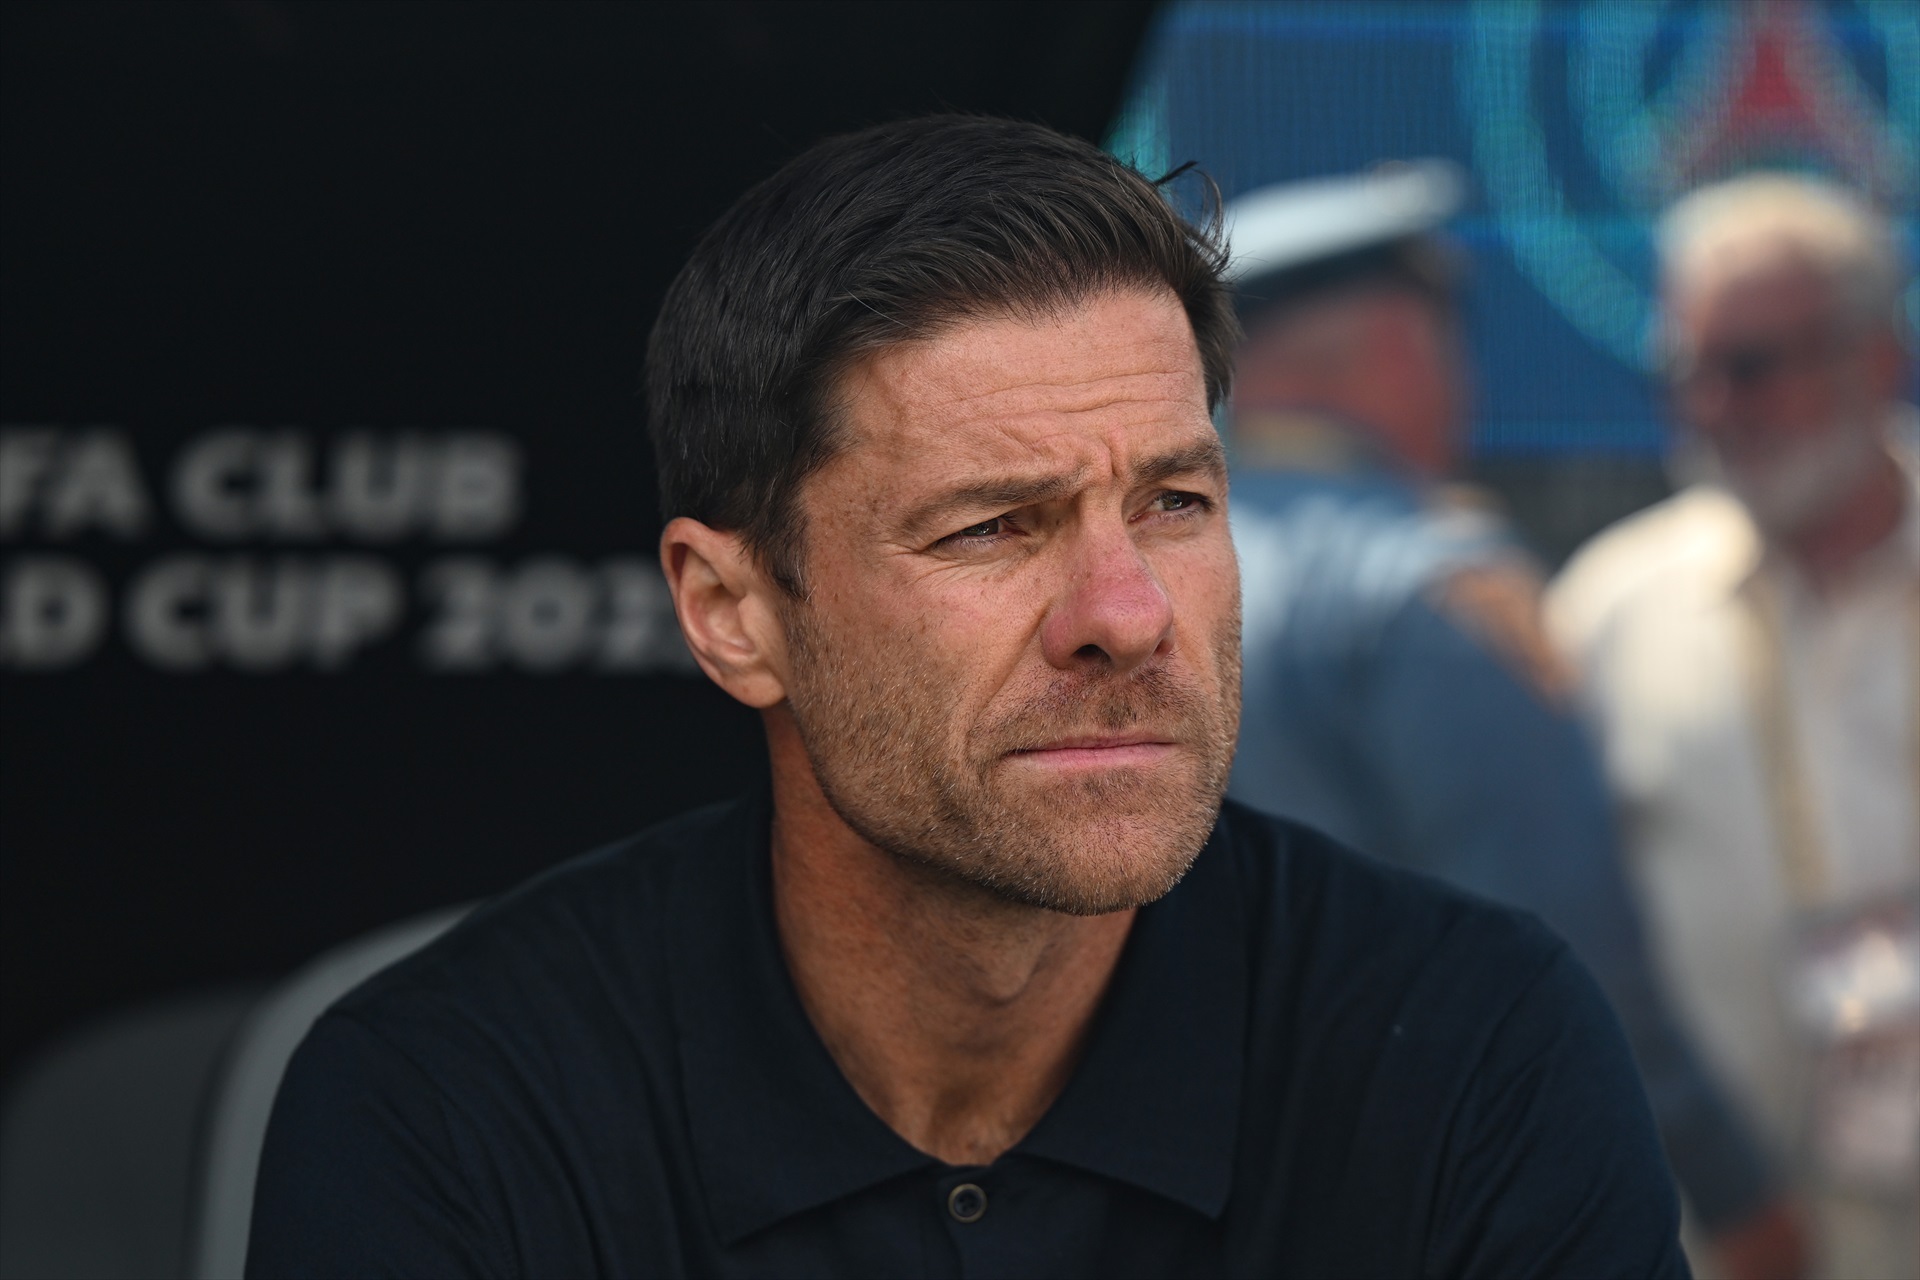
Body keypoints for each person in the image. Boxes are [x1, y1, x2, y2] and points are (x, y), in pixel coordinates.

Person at [247, 117, 1686, 1278]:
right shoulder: (454, 1105)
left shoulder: (1477, 1052)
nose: (1126, 616)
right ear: (732, 613)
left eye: (1175, 501)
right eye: (990, 527)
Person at [1222, 165, 1795, 1277]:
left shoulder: (1141, 578)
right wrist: (1740, 1195)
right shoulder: (1432, 589)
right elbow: (1569, 956)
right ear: (1399, 353)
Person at [1550, 172, 1919, 1280]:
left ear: (1876, 355)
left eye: (1751, 366)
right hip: (1732, 1240)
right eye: (1685, 372)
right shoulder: (1611, 610)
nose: (1714, 407)